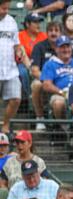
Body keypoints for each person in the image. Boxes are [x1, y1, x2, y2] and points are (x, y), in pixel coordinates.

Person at [30, 21, 62, 130]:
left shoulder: (65, 47)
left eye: (56, 31)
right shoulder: (39, 47)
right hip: (44, 81)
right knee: (36, 85)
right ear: (46, 33)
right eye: (50, 31)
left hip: (61, 80)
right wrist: (47, 80)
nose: (53, 33)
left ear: (60, 33)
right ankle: (40, 118)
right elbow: (34, 70)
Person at [41, 35, 73, 120]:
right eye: (62, 47)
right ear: (56, 49)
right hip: (60, 95)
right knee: (58, 103)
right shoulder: (50, 64)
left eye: (68, 47)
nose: (66, 50)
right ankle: (63, 128)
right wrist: (62, 92)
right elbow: (46, 85)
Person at [0, 0, 22, 136]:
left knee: (16, 99)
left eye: (7, 8)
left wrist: (19, 52)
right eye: (3, 8)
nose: (6, 11)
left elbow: (17, 44)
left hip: (10, 69)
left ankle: (5, 124)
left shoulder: (11, 22)